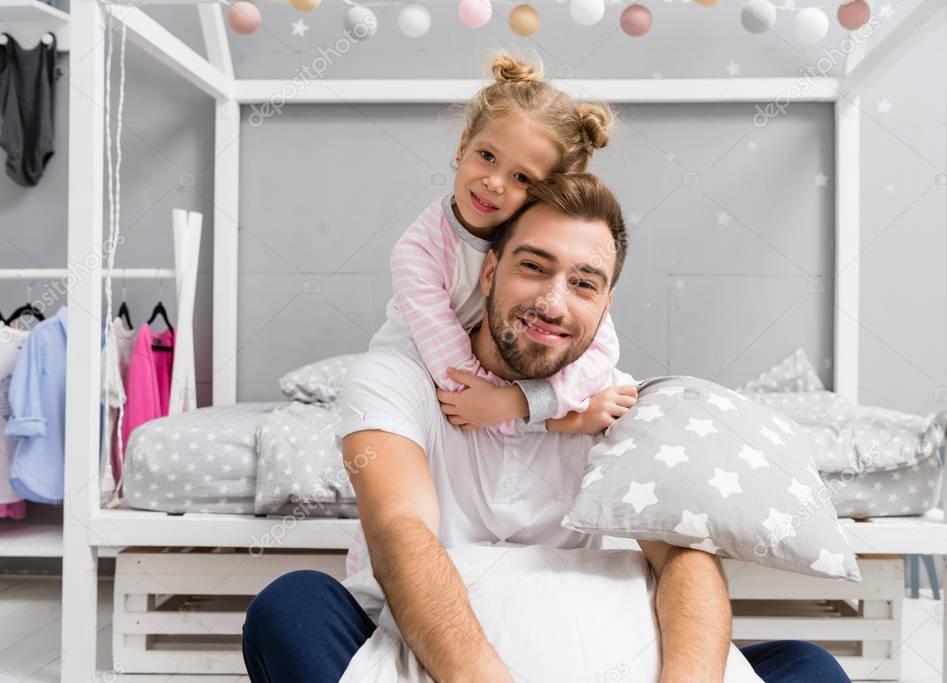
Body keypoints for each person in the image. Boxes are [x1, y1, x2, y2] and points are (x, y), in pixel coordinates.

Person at [242, 173, 852, 683]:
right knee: (290, 608)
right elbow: (400, 532)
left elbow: (683, 559)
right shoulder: (395, 380)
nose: (554, 304)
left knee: (807, 667)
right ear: (489, 275)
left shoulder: (623, 404)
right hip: (434, 658)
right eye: (534, 268)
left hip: (596, 655)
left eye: (583, 283)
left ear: (605, 304)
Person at [370, 50, 632, 437]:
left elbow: (601, 351)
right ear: (463, 147)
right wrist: (555, 418)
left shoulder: (545, 254)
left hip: (500, 383)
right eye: (487, 156)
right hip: (425, 380)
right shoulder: (419, 252)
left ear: (548, 192)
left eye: (522, 178)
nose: (495, 182)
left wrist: (519, 402)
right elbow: (456, 379)